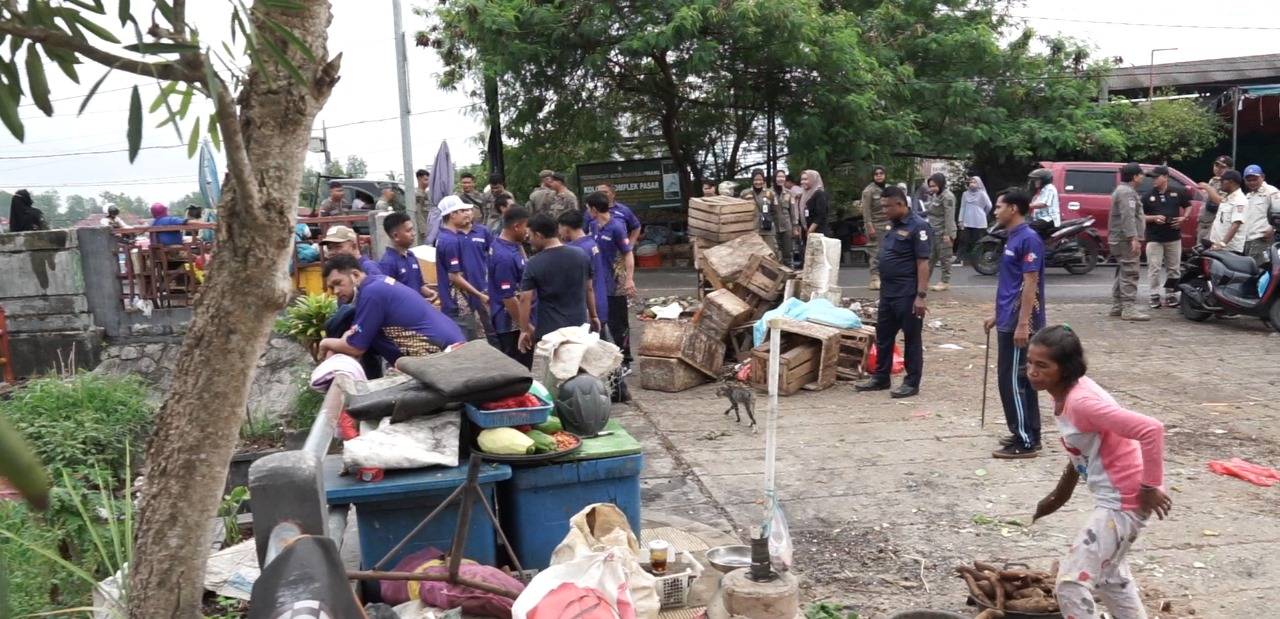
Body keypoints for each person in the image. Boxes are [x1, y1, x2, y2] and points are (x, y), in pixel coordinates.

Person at [1026, 325, 1170, 619]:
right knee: (1111, 580)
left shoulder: (1082, 402)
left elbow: (1151, 429)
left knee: (1070, 583)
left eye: (1042, 365)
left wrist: (1150, 486)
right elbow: (1083, 449)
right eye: (1029, 362)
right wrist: (1059, 493)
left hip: (1123, 499)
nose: (1032, 371)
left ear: (1065, 369)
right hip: (1116, 495)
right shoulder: (1067, 394)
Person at [982, 189, 1046, 459]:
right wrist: (998, 315)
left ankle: (1025, 441)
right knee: (1019, 380)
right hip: (1009, 318)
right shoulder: (1013, 237)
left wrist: (1022, 324)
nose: (995, 211)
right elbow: (1012, 284)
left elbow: (1030, 283)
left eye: (999, 206)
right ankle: (1027, 431)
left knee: (1014, 382)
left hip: (1021, 324)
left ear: (1014, 209)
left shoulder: (1029, 239)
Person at [855, 186, 931, 399]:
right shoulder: (893, 225)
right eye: (882, 206)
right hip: (888, 293)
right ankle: (881, 377)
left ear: (900, 204)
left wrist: (921, 296)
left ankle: (911, 382)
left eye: (887, 206)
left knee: (912, 339)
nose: (884, 211)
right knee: (884, 336)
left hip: (907, 294)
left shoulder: (919, 227)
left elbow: (923, 263)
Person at [317, 255, 465, 363]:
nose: (335, 291)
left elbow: (355, 347)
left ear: (355, 275)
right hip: (452, 343)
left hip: (443, 354)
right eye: (331, 287)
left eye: (338, 283)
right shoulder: (377, 282)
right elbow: (355, 336)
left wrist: (325, 343)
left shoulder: (371, 293)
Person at [517, 213, 598, 353]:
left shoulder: (534, 263)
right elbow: (589, 288)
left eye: (530, 236)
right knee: (578, 365)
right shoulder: (581, 255)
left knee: (554, 370)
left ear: (538, 235)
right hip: (578, 326)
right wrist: (594, 315)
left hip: (550, 331)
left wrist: (524, 330)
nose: (528, 240)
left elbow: (525, 299)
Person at [586, 191, 637, 368]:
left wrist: (629, 279)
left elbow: (628, 253)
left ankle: (626, 360)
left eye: (587, 208)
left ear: (593, 209)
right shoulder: (592, 226)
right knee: (599, 321)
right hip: (598, 282)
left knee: (619, 324)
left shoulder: (616, 227)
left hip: (615, 282)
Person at [435, 195, 493, 340]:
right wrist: (480, 295)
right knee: (466, 342)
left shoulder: (447, 237)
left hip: (465, 300)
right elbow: (454, 276)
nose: (467, 213)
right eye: (462, 210)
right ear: (452, 215)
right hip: (457, 303)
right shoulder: (450, 241)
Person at [1141, 166, 1191, 309]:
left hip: (1173, 237)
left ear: (1165, 177)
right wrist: (1154, 218)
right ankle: (1154, 295)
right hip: (1154, 237)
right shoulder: (1147, 196)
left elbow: (1188, 205)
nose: (1154, 180)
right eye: (1152, 178)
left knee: (1174, 268)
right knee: (1154, 267)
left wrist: (1184, 218)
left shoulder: (1178, 192)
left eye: (1156, 177)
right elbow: (1140, 216)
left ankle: (1170, 294)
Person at [488, 206, 533, 366]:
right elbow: (508, 298)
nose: (529, 231)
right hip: (510, 326)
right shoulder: (503, 257)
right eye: (526, 226)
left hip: (518, 322)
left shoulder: (512, 245)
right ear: (516, 226)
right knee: (518, 370)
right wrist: (525, 328)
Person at [1108, 163, 1148, 321]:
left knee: (1123, 271)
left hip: (1119, 238)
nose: (1143, 177)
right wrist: (1134, 238)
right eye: (1141, 174)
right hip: (1124, 239)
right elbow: (1128, 216)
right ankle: (1128, 308)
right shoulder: (1126, 193)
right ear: (1135, 176)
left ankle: (1118, 306)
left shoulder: (1123, 191)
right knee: (1130, 271)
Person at [560, 208, 609, 336]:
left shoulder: (573, 250)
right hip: (600, 301)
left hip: (587, 307)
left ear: (566, 228)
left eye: (560, 228)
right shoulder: (591, 242)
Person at [379, 212, 438, 302]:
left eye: (412, 229)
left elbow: (419, 285)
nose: (413, 233)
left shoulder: (411, 256)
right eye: (408, 231)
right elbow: (389, 297)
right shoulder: (388, 263)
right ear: (396, 236)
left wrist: (429, 293)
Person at [924, 173, 957, 291]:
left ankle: (945, 281)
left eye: (934, 186)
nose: (932, 188)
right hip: (933, 231)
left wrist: (948, 234)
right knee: (930, 257)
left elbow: (949, 216)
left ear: (941, 184)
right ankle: (924, 281)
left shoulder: (947, 197)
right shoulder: (935, 196)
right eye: (930, 186)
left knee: (945, 258)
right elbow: (930, 210)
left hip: (944, 232)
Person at [1241, 165, 1278, 263]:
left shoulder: (1271, 191)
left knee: (1261, 271)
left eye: (1255, 179)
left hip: (1262, 241)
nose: (1252, 182)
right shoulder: (1248, 196)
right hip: (1247, 241)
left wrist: (1273, 228)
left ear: (1263, 177)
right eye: (1249, 180)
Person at [861, 165, 889, 290]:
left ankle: (886, 277)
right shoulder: (869, 191)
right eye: (876, 174)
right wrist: (869, 226)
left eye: (881, 173)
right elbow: (866, 211)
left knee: (888, 252)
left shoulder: (888, 189)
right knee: (875, 252)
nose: (879, 176)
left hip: (888, 224)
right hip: (875, 225)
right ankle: (874, 278)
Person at [1208, 169, 1247, 254]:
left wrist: (1222, 243)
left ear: (1231, 182)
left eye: (1222, 181)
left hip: (1229, 249)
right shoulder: (1227, 197)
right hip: (1218, 246)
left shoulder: (1239, 200)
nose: (1220, 184)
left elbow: (1235, 224)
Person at [1196, 155, 1232, 244]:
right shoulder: (1213, 180)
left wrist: (1207, 187)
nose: (1218, 169)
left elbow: (1220, 202)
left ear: (1230, 169)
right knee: (1199, 254)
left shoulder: (1228, 183)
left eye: (1223, 167)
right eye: (1216, 165)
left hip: (1214, 224)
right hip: (1204, 223)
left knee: (1209, 255)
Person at [740, 170, 779, 251]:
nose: (758, 182)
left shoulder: (770, 193)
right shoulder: (745, 193)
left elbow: (775, 211)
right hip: (752, 229)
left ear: (763, 180)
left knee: (770, 252)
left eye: (760, 179)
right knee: (753, 253)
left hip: (767, 229)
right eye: (755, 180)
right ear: (752, 180)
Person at [958, 176, 992, 266]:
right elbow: (962, 207)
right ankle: (963, 259)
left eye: (975, 182)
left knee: (977, 241)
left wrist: (983, 213)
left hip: (979, 221)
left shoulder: (982, 194)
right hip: (967, 220)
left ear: (979, 183)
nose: (972, 184)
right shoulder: (965, 194)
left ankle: (977, 260)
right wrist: (960, 219)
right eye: (971, 182)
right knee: (965, 239)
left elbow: (989, 205)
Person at [600, 183, 642, 247]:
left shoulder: (623, 210)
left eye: (605, 192)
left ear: (613, 194)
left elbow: (636, 227)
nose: (602, 195)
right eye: (599, 193)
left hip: (619, 250)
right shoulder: (592, 211)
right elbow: (583, 231)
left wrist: (630, 245)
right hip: (598, 251)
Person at [771, 169, 795, 266]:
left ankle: (789, 272)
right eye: (778, 177)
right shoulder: (769, 193)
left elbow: (792, 211)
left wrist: (795, 226)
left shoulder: (789, 193)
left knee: (788, 251)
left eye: (783, 177)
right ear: (774, 178)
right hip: (773, 226)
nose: (781, 179)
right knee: (775, 251)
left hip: (787, 226)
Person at [798, 170, 830, 237]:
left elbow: (820, 215)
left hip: (818, 232)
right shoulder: (803, 195)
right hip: (806, 231)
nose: (802, 182)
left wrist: (810, 231)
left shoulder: (819, 194)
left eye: (806, 179)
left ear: (813, 179)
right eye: (802, 179)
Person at [415, 168, 440, 245]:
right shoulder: (417, 195)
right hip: (422, 230)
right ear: (419, 179)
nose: (429, 182)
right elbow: (418, 213)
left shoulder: (426, 194)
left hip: (429, 227)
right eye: (426, 179)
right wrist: (423, 230)